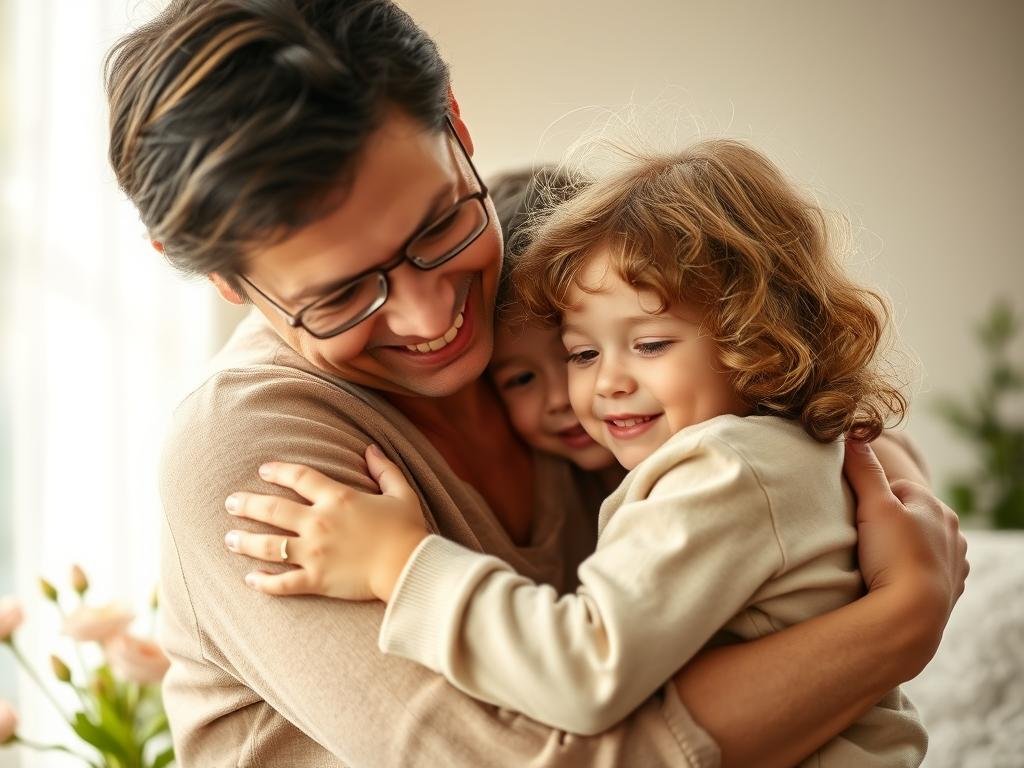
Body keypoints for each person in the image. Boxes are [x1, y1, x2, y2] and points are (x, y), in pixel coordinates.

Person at [103, 2, 967, 766]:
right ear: (222, 280)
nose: (429, 313)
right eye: (339, 294)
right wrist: (893, 626)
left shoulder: (546, 283)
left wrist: (902, 507)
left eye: (441, 224)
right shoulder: (247, 456)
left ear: (458, 125)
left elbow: (819, 422)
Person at [224, 140, 929, 765]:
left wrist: (399, 563)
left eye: (650, 344)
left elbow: (586, 669)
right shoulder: (769, 451)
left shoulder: (723, 467)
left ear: (757, 334)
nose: (604, 384)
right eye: (582, 353)